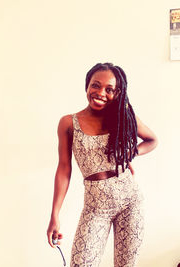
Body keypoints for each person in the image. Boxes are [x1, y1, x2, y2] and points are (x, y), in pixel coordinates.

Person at [47, 62, 158, 267]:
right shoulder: (68, 123)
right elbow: (64, 169)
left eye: (110, 89)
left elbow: (152, 140)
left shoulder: (123, 117)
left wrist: (132, 152)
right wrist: (55, 214)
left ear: (118, 93)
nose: (101, 93)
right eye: (95, 85)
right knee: (81, 263)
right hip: (95, 208)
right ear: (87, 85)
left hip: (130, 202)